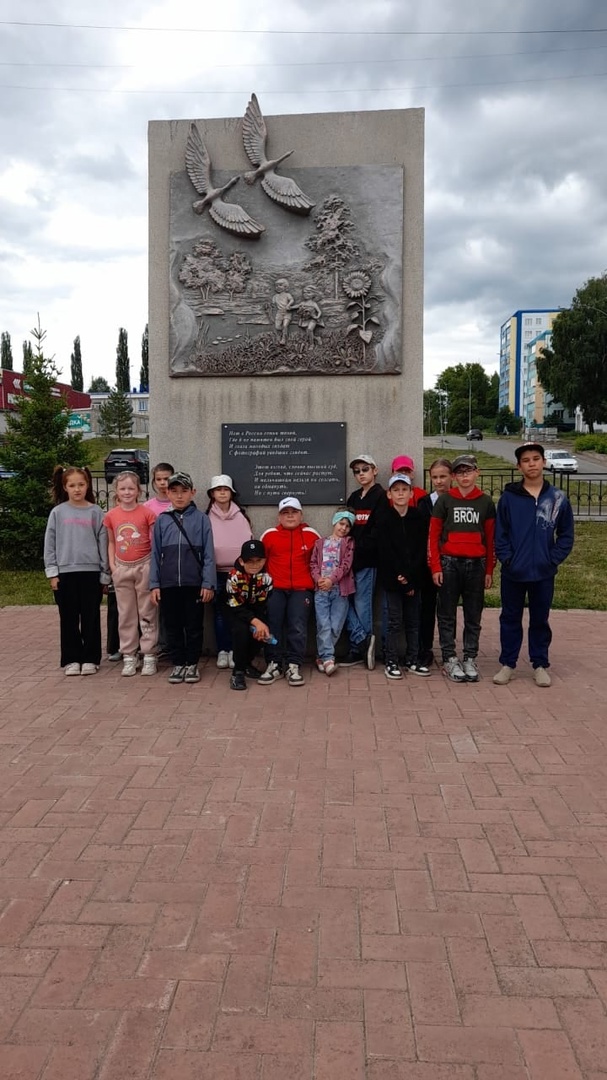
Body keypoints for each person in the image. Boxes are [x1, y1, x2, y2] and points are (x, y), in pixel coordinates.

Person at [493, 441, 574, 688]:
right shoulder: (509, 498)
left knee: (540, 619)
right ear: (519, 466)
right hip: (513, 572)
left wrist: (552, 559)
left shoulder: (557, 498)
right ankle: (508, 664)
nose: (532, 464)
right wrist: (508, 559)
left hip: (543, 572)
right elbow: (500, 534)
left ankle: (540, 664)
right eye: (526, 461)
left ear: (544, 462)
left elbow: (566, 534)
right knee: (510, 618)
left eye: (536, 459)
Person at [428, 454, 496, 683]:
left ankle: (470, 657)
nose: (465, 476)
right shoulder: (445, 501)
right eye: (460, 472)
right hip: (449, 563)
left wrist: (489, 570)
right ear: (454, 476)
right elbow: (433, 536)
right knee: (446, 613)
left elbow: (490, 538)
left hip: (476, 565)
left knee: (473, 614)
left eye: (469, 471)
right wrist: (435, 566)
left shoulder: (485, 502)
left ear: (477, 473)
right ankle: (449, 657)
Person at [149, 472, 216, 684]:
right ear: (167, 493)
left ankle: (192, 663)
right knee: (173, 625)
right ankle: (178, 663)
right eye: (174, 491)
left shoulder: (202, 519)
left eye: (184, 491)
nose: (179, 496)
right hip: (168, 584)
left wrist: (208, 583)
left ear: (192, 492)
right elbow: (155, 553)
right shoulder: (162, 520)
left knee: (194, 626)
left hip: (193, 583)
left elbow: (209, 554)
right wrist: (154, 584)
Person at [43, 465, 110, 676]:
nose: (77, 489)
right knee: (68, 618)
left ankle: (90, 658)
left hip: (91, 574)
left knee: (91, 617)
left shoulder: (96, 512)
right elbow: (50, 544)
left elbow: (103, 544)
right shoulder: (57, 512)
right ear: (65, 487)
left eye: (81, 484)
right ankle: (71, 659)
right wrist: (52, 573)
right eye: (72, 485)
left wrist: (105, 574)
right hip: (65, 574)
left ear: (87, 485)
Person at [258, 497, 320, 686]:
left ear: (301, 515)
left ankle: (294, 664)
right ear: (279, 517)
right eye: (285, 513)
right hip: (275, 588)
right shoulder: (269, 535)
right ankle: (274, 663)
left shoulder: (311, 535)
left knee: (297, 626)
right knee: (273, 625)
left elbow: (320, 562)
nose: (290, 516)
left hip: (302, 589)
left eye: (294, 512)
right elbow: (259, 562)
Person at [372, 474, 428, 679]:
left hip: (414, 580)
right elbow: (385, 551)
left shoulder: (418, 517)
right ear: (389, 494)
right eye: (396, 490)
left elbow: (420, 549)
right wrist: (400, 577)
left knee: (413, 621)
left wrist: (410, 579)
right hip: (392, 580)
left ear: (411, 493)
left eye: (404, 490)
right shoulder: (384, 518)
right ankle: (391, 660)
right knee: (394, 621)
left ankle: (412, 659)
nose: (401, 494)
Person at [104, 471, 158, 677]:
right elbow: (111, 541)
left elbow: (154, 541)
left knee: (147, 612)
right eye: (123, 489)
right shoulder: (111, 515)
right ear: (116, 491)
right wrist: (113, 566)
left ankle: (149, 653)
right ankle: (129, 654)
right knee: (126, 613)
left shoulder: (147, 513)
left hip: (144, 565)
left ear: (138, 491)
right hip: (122, 567)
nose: (127, 492)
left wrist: (152, 566)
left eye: (131, 488)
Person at [342, 453, 387, 668]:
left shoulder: (381, 496)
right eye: (357, 471)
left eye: (365, 469)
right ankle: (360, 642)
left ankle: (362, 649)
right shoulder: (353, 498)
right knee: (345, 601)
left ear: (374, 470)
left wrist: (359, 548)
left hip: (368, 560)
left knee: (362, 604)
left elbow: (379, 531)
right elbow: (346, 525)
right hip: (349, 560)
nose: (361, 474)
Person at [206, 474, 252, 669]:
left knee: (237, 613)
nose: (222, 493)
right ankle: (222, 650)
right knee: (219, 613)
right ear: (212, 494)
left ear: (232, 493)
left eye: (226, 489)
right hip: (216, 572)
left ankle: (235, 649)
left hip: (237, 573)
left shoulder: (241, 516)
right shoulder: (206, 517)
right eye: (218, 490)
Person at [416, 458, 453, 667]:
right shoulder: (424, 503)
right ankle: (425, 648)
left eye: (443, 476)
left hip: (452, 561)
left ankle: (449, 649)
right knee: (426, 608)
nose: (439, 481)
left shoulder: (457, 501)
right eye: (435, 477)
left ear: (451, 477)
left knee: (448, 609)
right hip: (429, 563)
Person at [310, 510, 355, 676]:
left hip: (340, 590)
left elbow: (346, 565)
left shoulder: (349, 543)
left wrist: (331, 580)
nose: (343, 528)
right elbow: (313, 564)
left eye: (347, 526)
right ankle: (328, 658)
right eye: (341, 524)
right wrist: (319, 579)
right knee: (323, 624)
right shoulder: (320, 543)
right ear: (334, 522)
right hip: (321, 590)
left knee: (335, 625)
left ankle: (321, 657)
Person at [224, 539, 274, 691]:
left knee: (262, 634)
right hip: (236, 611)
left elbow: (263, 604)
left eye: (258, 561)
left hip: (256, 611)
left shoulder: (266, 578)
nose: (254, 565)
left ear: (264, 560)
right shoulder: (233, 576)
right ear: (241, 561)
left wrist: (259, 623)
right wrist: (255, 622)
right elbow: (235, 606)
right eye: (250, 561)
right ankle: (237, 672)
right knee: (241, 632)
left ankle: (247, 663)